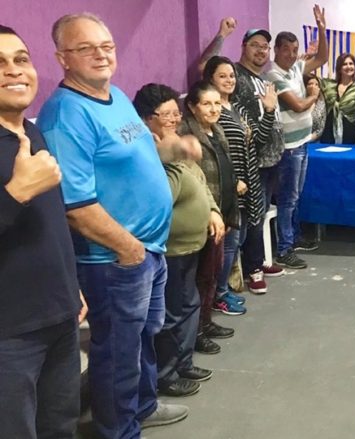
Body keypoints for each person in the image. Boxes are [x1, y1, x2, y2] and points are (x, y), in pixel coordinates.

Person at [36, 13, 187, 437]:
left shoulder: (115, 96)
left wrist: (178, 148)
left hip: (148, 250)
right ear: (62, 58)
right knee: (119, 351)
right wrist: (129, 249)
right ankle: (118, 429)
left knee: (141, 338)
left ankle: (142, 406)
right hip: (114, 260)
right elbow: (75, 206)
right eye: (85, 48)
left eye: (106, 46)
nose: (101, 55)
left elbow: (139, 151)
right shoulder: (65, 115)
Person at [0, 24, 86, 439]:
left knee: (59, 427)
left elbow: (50, 224)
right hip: (9, 334)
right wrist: (15, 192)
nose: (14, 70)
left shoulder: (30, 132)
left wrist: (71, 287)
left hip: (60, 316)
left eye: (21, 59)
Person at [133, 83, 222, 398]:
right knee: (170, 314)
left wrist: (212, 210)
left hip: (192, 245)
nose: (173, 119)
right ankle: (166, 375)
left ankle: (183, 362)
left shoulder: (178, 144)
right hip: (170, 248)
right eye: (166, 114)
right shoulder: (147, 153)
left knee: (188, 304)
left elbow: (199, 181)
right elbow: (157, 199)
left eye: (176, 113)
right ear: (147, 118)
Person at [198, 17, 287, 285]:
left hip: (260, 165)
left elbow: (256, 135)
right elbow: (205, 66)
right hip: (238, 177)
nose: (261, 50)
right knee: (236, 234)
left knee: (252, 223)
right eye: (255, 45)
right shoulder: (220, 102)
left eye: (265, 46)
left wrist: (269, 110)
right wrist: (222, 35)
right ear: (243, 46)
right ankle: (240, 277)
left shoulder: (245, 95)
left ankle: (249, 268)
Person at [203, 55, 276, 304]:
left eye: (232, 75)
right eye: (222, 76)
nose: (229, 80)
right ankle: (219, 294)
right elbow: (217, 152)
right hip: (230, 186)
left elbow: (258, 140)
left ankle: (226, 288)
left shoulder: (237, 108)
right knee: (229, 242)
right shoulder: (214, 112)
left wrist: (269, 111)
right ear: (210, 79)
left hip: (250, 183)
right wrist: (233, 180)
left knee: (239, 239)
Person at [263, 4, 328, 270]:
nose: (291, 55)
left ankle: (294, 237)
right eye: (286, 50)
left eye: (294, 50)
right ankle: (284, 249)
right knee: (288, 198)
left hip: (302, 142)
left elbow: (322, 57)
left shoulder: (295, 68)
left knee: (295, 195)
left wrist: (322, 28)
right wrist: (314, 94)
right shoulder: (272, 75)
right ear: (276, 50)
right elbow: (298, 105)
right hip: (288, 147)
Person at [178, 81, 243, 322]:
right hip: (203, 214)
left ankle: (207, 317)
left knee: (213, 271)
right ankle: (199, 327)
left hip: (223, 208)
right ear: (192, 107)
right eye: (207, 104)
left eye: (217, 103)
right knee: (201, 275)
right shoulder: (185, 134)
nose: (214, 109)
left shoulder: (217, 129)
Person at [319, 52, 355, 144]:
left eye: (351, 64)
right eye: (345, 64)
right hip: (328, 134)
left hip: (349, 134)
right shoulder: (328, 85)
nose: (348, 66)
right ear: (339, 68)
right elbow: (310, 79)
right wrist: (312, 58)